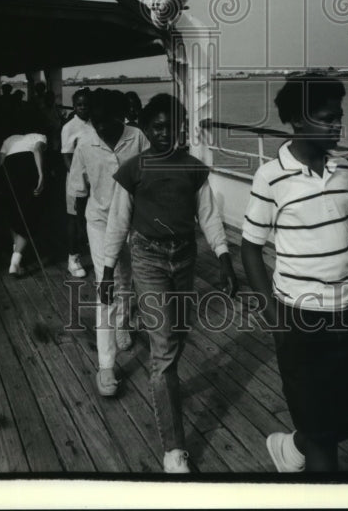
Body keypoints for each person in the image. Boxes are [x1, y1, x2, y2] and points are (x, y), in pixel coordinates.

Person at [240, 75, 348, 474]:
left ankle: (290, 447)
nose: (337, 125)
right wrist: (275, 320)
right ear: (299, 122)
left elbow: (343, 238)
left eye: (338, 116)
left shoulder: (343, 170)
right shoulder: (271, 177)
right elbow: (250, 248)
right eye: (327, 118)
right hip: (300, 318)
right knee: (323, 437)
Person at [100, 93, 238, 474]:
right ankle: (174, 451)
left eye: (172, 126)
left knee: (177, 333)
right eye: (157, 126)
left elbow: (208, 217)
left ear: (182, 128)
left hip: (185, 258)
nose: (165, 133)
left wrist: (225, 258)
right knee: (163, 350)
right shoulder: (134, 169)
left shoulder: (193, 170)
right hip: (147, 258)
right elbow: (118, 222)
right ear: (145, 129)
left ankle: (166, 384)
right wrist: (108, 270)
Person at [67, 88, 149, 397]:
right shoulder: (85, 142)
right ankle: (106, 365)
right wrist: (78, 230)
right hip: (100, 223)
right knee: (106, 286)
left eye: (107, 122)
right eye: (96, 122)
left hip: (132, 222)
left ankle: (122, 324)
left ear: (121, 116)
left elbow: (150, 175)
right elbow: (77, 187)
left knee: (126, 278)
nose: (100, 128)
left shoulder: (138, 137)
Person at [0, 129, 47, 275]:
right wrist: (41, 174)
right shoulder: (40, 136)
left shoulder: (9, 138)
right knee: (28, 214)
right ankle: (15, 261)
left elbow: (0, 161)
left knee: (14, 213)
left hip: (9, 168)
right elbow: (38, 150)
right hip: (27, 166)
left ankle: (16, 249)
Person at [61, 88, 93, 277]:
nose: (83, 108)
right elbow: (66, 156)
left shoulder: (94, 123)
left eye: (86, 105)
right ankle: (73, 259)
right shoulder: (69, 127)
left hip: (95, 180)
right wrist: (78, 179)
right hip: (77, 181)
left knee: (92, 218)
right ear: (74, 106)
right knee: (74, 220)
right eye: (79, 105)